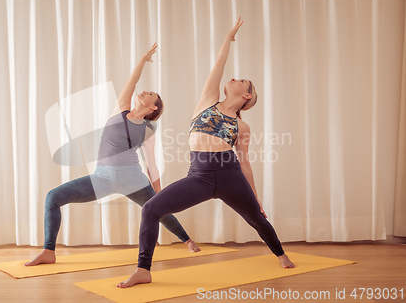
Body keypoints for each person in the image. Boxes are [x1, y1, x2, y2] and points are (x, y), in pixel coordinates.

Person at [117, 17, 295, 288]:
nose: (234, 78)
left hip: (230, 175)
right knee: (151, 208)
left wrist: (256, 197)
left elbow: (245, 163)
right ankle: (143, 269)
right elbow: (219, 66)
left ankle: (280, 253)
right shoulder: (208, 101)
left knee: (257, 218)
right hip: (198, 176)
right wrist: (228, 39)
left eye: (241, 81)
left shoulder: (241, 125)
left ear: (246, 96)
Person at [25, 43, 200, 267]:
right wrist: (143, 59)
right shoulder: (121, 109)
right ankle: (48, 251)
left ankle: (187, 240)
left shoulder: (148, 130)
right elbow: (132, 81)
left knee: (160, 210)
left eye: (151, 94)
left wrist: (159, 194)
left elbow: (152, 165)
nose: (145, 91)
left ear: (153, 108)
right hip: (102, 179)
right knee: (53, 198)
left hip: (133, 179)